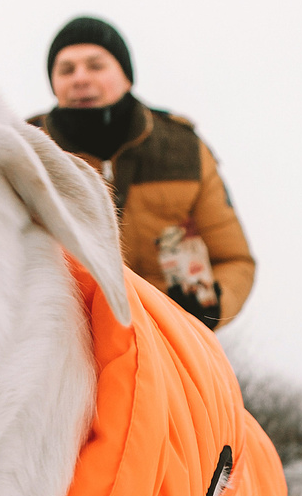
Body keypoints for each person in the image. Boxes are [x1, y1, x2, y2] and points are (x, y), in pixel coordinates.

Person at [30, 16, 256, 329]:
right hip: (67, 348)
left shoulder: (185, 149)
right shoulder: (26, 152)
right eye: (66, 69)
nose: (80, 78)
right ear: (53, 83)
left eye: (96, 65)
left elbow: (234, 260)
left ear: (127, 77)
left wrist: (212, 305)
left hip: (169, 339)